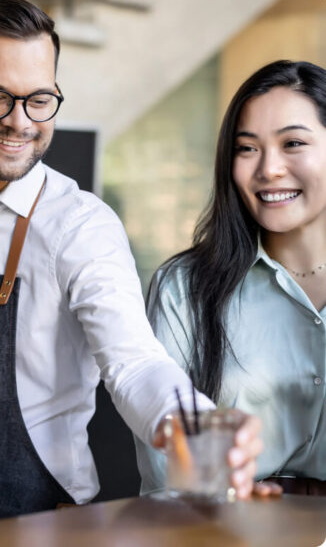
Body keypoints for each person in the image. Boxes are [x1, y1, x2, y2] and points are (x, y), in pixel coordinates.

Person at [0, 0, 262, 530]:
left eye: (40, 99)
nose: (20, 122)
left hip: (38, 520)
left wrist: (191, 422)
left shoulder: (80, 227)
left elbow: (136, 363)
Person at [135, 59, 326, 496]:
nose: (268, 169)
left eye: (293, 143)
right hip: (221, 532)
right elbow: (169, 472)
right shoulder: (183, 287)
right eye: (247, 148)